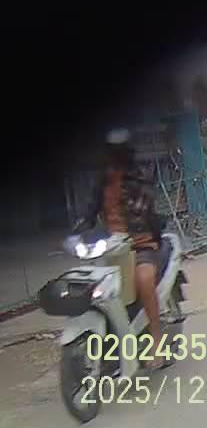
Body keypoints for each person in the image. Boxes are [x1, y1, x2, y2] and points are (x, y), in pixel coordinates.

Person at [78, 128, 170, 369]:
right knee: (94, 287)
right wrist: (80, 228)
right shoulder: (102, 181)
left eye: (116, 155)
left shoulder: (140, 176)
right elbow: (90, 209)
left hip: (140, 243)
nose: (111, 160)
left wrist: (131, 231)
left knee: (143, 279)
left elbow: (143, 206)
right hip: (112, 247)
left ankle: (156, 339)